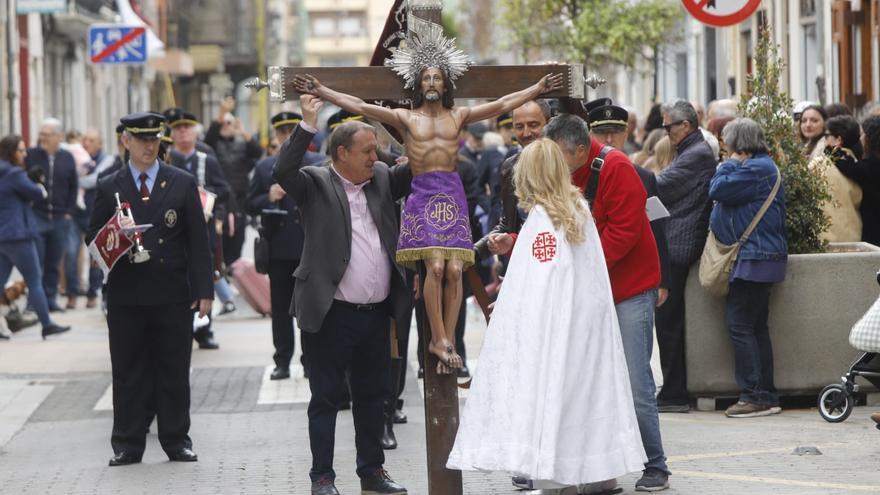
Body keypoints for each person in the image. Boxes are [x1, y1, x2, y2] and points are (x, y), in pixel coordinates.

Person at [293, 36, 563, 374]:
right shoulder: (405, 118)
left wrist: (536, 88)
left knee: (454, 270)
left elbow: (502, 104)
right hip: (423, 194)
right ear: (419, 84)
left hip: (452, 195)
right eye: (426, 78)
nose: (432, 83)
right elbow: (360, 107)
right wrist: (324, 90)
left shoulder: (458, 114)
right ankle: (437, 338)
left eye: (437, 77)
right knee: (435, 267)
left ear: (445, 83)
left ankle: (447, 337)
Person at [447, 138, 647, 490]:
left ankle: (560, 476)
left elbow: (541, 284)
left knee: (556, 398)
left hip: (556, 331)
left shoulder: (543, 219)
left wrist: (511, 306)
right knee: (585, 399)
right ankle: (595, 475)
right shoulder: (577, 209)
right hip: (586, 328)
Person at [274, 95, 410, 495]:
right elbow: (284, 169)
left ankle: (372, 473)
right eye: (367, 150)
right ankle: (322, 478)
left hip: (375, 314)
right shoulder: (315, 183)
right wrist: (307, 122)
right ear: (341, 153)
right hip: (331, 313)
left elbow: (416, 166)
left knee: (373, 396)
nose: (375, 156)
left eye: (377, 149)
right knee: (327, 397)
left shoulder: (383, 177)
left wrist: (411, 121)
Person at [542, 113, 671, 492]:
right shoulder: (564, 171)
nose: (555, 164)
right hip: (592, 289)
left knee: (635, 381)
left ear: (581, 150)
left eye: (560, 156)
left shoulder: (616, 167)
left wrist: (586, 269)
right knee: (589, 380)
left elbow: (626, 230)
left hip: (628, 290)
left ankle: (656, 464)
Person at [86, 112, 213, 466]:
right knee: (128, 371)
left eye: (154, 139)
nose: (149, 146)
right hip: (127, 293)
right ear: (126, 141)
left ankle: (176, 440)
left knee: (173, 368)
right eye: (141, 140)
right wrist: (115, 236)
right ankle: (128, 443)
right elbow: (91, 238)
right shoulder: (108, 184)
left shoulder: (181, 182)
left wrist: (205, 291)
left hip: (172, 292)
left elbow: (198, 242)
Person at [709, 118, 787, 417]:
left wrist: (728, 164)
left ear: (738, 143)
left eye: (727, 142)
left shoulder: (755, 169)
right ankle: (766, 393)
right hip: (760, 258)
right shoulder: (763, 167)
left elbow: (717, 189)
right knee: (755, 327)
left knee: (740, 326)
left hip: (755, 258)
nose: (724, 147)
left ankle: (755, 396)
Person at [247, 111, 324, 380]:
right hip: (279, 248)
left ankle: (310, 359)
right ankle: (282, 360)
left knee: (309, 309)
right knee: (280, 310)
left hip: (309, 246)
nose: (287, 136)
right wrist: (268, 196)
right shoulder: (265, 166)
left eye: (292, 130)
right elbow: (248, 203)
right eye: (282, 132)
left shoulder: (316, 162)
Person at [654, 100, 717, 413]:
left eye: (669, 127)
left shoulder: (697, 153)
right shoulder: (692, 150)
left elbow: (660, 185)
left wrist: (625, 169)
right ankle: (673, 388)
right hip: (676, 242)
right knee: (667, 320)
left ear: (686, 125)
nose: (666, 133)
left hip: (677, 246)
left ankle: (674, 392)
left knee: (667, 321)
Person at [167, 108, 232, 350]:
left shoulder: (206, 160)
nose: (183, 133)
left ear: (195, 133)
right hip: (173, 231)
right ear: (172, 134)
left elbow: (225, 190)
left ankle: (204, 330)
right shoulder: (167, 159)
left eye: (187, 128)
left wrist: (207, 198)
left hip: (202, 229)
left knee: (205, 275)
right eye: (178, 129)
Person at [0, 135, 71, 339]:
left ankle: (46, 323)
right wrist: (38, 182)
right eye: (21, 150)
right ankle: (47, 324)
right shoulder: (14, 174)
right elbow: (39, 194)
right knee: (34, 280)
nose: (24, 154)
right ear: (11, 152)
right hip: (19, 235)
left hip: (3, 236)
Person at [25, 118, 79, 313]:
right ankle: (34, 302)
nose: (43, 138)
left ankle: (50, 299)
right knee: (35, 262)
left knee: (54, 263)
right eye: (41, 134)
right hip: (37, 215)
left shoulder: (67, 157)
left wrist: (69, 212)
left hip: (60, 218)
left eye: (47, 134)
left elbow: (74, 186)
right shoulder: (31, 155)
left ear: (59, 136)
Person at [204, 97, 264, 266]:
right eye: (223, 123)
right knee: (218, 239)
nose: (227, 126)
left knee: (238, 237)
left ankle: (233, 269)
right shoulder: (213, 146)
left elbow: (257, 152)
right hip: (220, 201)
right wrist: (221, 114)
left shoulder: (242, 142)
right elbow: (208, 139)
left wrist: (243, 132)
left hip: (239, 200)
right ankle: (220, 269)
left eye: (230, 122)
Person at [814, 115, 864, 243]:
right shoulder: (858, 166)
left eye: (826, 136)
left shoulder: (819, 165)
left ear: (838, 140)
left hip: (825, 237)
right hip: (854, 236)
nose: (824, 140)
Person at [835, 115, 880, 246]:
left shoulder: (871, 166)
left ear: (870, 139)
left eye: (862, 135)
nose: (860, 139)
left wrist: (831, 151)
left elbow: (846, 165)